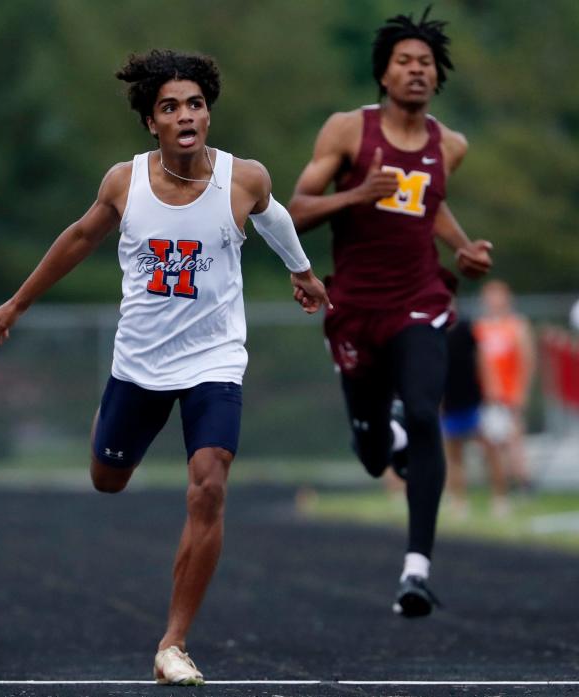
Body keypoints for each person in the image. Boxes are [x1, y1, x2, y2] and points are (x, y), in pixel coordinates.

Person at [0, 50, 329, 685]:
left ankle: (174, 643)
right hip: (140, 361)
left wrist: (300, 270)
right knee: (107, 479)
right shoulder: (125, 183)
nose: (186, 115)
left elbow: (272, 215)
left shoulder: (243, 178)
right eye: (170, 107)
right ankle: (106, 427)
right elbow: (79, 238)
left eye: (195, 103)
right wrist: (17, 304)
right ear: (152, 124)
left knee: (210, 484)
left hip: (215, 357)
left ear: (208, 112)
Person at [287, 8, 493, 617]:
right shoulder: (349, 131)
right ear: (383, 72)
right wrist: (356, 194)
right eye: (404, 61)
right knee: (375, 452)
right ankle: (387, 432)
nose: (415, 72)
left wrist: (462, 248)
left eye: (425, 63)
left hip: (419, 300)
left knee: (427, 413)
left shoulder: (449, 145)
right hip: (353, 308)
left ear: (437, 76)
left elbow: (430, 206)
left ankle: (417, 570)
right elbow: (293, 209)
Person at [441, 314, 509, 518]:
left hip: (475, 399)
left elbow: (482, 359)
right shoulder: (430, 332)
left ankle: (500, 498)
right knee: (453, 454)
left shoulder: (466, 327)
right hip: (449, 403)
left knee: (491, 450)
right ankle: (459, 501)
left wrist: (491, 390)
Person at [475, 280, 535, 492]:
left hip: (509, 393)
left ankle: (523, 481)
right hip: (487, 395)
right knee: (490, 442)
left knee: (513, 439)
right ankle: (501, 483)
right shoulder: (481, 326)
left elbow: (527, 360)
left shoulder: (517, 325)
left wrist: (521, 391)